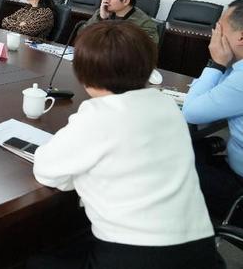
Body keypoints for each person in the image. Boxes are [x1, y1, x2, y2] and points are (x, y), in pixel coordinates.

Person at [29, 22, 220, 269]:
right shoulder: (167, 106)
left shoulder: (98, 116)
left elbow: (46, 170)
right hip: (202, 252)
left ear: (83, 73)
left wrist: (79, 177)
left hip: (137, 257)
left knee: (36, 262)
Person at [183, 0, 243, 222]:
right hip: (233, 163)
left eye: (220, 28)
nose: (215, 34)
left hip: (239, 188)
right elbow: (214, 94)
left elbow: (191, 112)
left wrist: (216, 64)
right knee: (187, 148)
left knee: (171, 164)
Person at [83, 0, 159, 44]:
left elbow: (145, 51)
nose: (106, 0)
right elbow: (82, 35)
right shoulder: (102, 13)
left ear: (126, 0)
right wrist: (101, 19)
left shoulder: (144, 25)